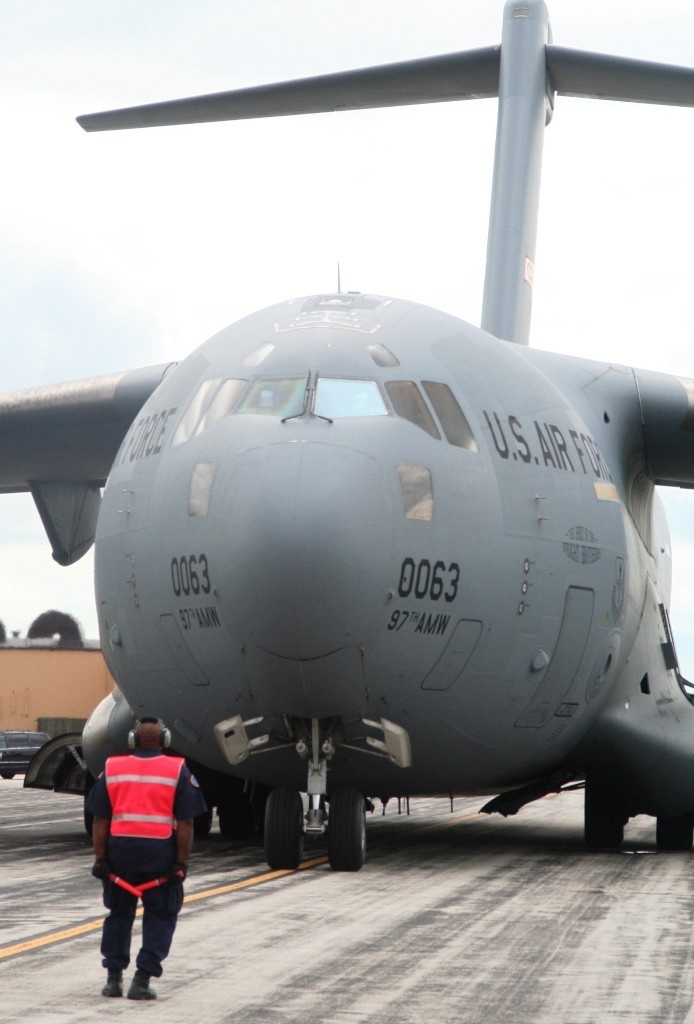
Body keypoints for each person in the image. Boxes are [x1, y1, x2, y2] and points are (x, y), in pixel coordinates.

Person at [86, 716, 207, 1000]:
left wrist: (101, 860)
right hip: (160, 862)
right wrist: (181, 864)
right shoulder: (177, 770)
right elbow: (186, 823)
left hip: (119, 861)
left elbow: (100, 820)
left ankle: (113, 980)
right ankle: (142, 980)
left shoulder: (112, 768)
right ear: (165, 740)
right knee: (161, 917)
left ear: (132, 740)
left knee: (118, 916)